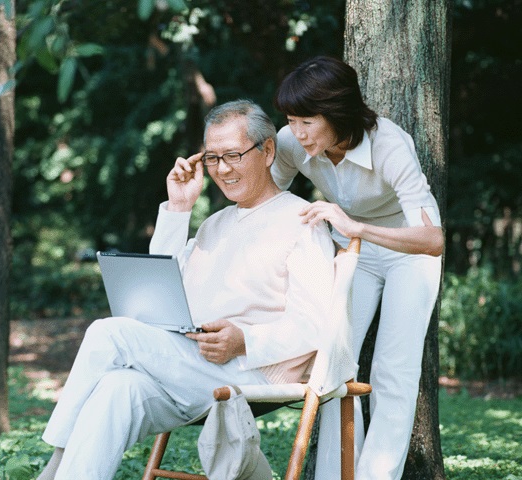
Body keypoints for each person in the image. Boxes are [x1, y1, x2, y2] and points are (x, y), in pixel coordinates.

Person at [36, 99, 344, 479]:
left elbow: (314, 325)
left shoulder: (302, 221)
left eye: (233, 155)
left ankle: (54, 463)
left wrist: (244, 340)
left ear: (267, 151)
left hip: (250, 373)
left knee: (107, 332)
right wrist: (179, 208)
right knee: (117, 388)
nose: (223, 169)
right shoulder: (214, 224)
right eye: (212, 158)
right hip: (189, 365)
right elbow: (159, 290)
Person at [272, 55, 444, 480]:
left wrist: (356, 227)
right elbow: (267, 197)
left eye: (307, 121)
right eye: (292, 120)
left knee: (393, 369)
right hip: (352, 251)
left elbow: (433, 241)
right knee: (333, 362)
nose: (297, 132)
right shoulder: (292, 143)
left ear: (338, 112)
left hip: (408, 249)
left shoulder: (389, 144)